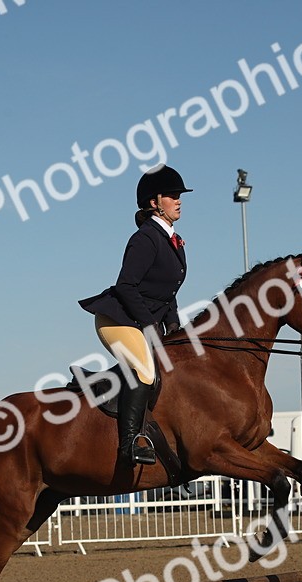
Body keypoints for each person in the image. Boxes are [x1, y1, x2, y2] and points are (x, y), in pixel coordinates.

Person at [78, 165, 192, 465]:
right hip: (117, 320)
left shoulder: (175, 242)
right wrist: (151, 324)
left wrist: (174, 327)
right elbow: (126, 286)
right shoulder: (145, 238)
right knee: (145, 369)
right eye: (172, 196)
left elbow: (168, 293)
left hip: (142, 318)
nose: (178, 200)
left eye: (179, 195)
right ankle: (130, 443)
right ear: (155, 202)